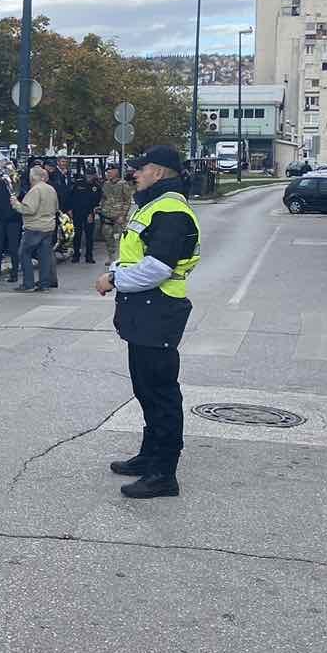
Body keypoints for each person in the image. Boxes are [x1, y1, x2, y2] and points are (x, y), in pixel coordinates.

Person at [95, 146, 202, 500]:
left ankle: (163, 473)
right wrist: (115, 272)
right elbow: (138, 256)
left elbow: (158, 268)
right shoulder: (154, 205)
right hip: (145, 310)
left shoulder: (170, 210)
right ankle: (149, 455)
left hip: (159, 308)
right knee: (145, 388)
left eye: (140, 170)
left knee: (160, 392)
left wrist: (113, 279)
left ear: (158, 171)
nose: (134, 175)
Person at [12, 166, 59, 292]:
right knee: (44, 256)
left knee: (24, 253)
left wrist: (16, 204)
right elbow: (56, 208)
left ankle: (28, 284)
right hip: (49, 227)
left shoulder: (35, 190)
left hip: (34, 227)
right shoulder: (51, 189)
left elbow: (29, 209)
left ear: (33, 177)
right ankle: (44, 284)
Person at [0, 163, 22, 283]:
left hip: (13, 218)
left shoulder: (17, 181)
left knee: (13, 247)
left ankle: (14, 273)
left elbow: (20, 195)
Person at [98, 165, 133, 259]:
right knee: (108, 237)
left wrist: (123, 215)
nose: (108, 174)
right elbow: (103, 198)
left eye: (110, 172)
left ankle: (120, 257)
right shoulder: (106, 184)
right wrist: (100, 207)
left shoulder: (123, 184)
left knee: (120, 238)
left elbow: (127, 200)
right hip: (107, 216)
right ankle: (111, 257)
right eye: (107, 172)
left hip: (119, 217)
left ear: (116, 172)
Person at [69, 171, 101, 264]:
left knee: (89, 236)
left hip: (89, 214)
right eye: (88, 175)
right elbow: (71, 197)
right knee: (77, 235)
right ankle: (76, 255)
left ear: (94, 175)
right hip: (77, 213)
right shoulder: (78, 184)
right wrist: (70, 209)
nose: (89, 177)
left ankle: (89, 256)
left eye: (91, 175)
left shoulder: (96, 187)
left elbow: (97, 202)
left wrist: (92, 213)